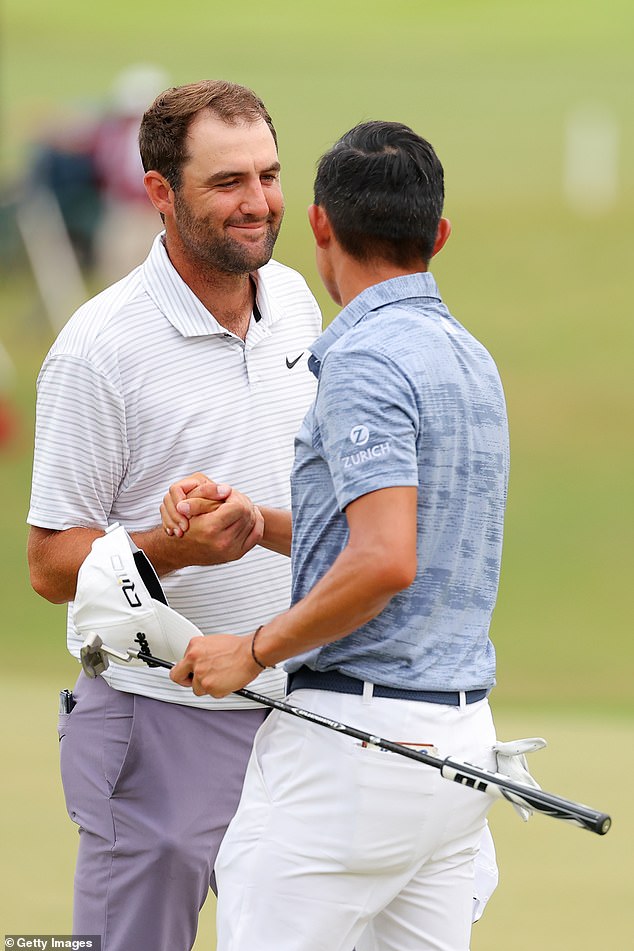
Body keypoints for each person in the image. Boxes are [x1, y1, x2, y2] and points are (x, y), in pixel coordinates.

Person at [169, 120, 510, 951]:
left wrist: (253, 648)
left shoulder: (366, 358)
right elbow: (402, 543)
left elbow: (386, 558)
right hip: (459, 751)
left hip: (356, 760)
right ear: (440, 236)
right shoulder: (470, 355)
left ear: (319, 226)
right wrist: (264, 525)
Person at [26, 80, 321, 951]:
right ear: (161, 193)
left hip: (298, 710)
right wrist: (170, 546)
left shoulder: (297, 302)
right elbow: (49, 565)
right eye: (227, 182)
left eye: (268, 175)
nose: (259, 202)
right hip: (160, 718)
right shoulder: (96, 349)